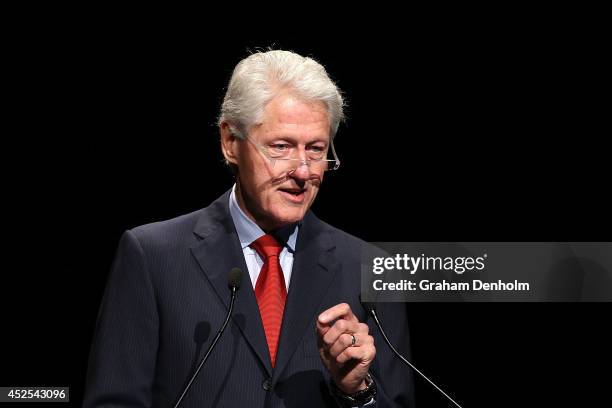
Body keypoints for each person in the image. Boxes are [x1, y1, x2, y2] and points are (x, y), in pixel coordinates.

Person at [84, 49, 414, 407]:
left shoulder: (371, 269)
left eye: (316, 149)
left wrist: (357, 393)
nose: (303, 171)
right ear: (230, 143)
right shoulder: (152, 256)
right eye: (281, 147)